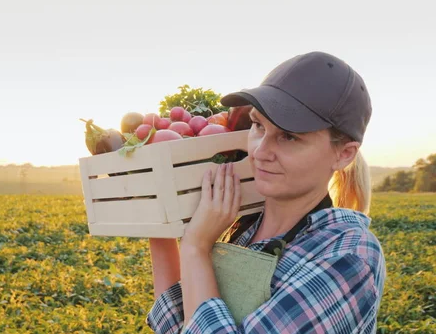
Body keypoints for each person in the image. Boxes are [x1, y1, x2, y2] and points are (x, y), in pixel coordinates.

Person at [145, 51, 387, 334]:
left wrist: (196, 247)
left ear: (343, 154)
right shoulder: (244, 228)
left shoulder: (347, 257)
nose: (259, 151)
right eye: (258, 125)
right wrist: (159, 214)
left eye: (289, 136)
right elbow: (176, 323)